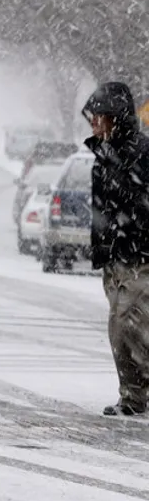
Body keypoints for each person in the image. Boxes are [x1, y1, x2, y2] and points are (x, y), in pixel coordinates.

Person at [82, 81, 149, 416]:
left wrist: (135, 229)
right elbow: (100, 210)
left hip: (142, 257)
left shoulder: (141, 154)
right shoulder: (102, 157)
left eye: (99, 116)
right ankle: (133, 397)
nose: (94, 122)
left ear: (115, 117)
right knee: (119, 331)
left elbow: (136, 204)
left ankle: (137, 394)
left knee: (132, 326)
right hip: (116, 259)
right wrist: (102, 250)